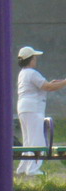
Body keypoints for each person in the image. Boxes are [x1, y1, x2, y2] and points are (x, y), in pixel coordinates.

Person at [16, 46, 66, 176]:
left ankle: (23, 168)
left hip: (24, 108)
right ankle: (33, 170)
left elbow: (45, 85)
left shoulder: (23, 73)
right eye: (34, 58)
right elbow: (48, 87)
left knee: (28, 140)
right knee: (37, 139)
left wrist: (57, 83)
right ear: (30, 59)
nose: (36, 60)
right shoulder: (32, 73)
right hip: (33, 109)